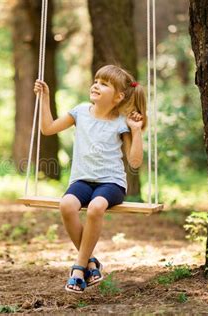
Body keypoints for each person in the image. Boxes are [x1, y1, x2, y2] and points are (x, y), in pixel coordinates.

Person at [33, 64, 147, 293]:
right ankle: (91, 262)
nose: (96, 85)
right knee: (66, 204)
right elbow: (47, 129)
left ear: (118, 96)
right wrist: (44, 98)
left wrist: (136, 131)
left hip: (111, 183)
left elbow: (134, 162)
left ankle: (78, 269)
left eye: (104, 84)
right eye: (96, 80)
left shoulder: (121, 123)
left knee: (96, 208)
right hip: (82, 180)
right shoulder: (80, 111)